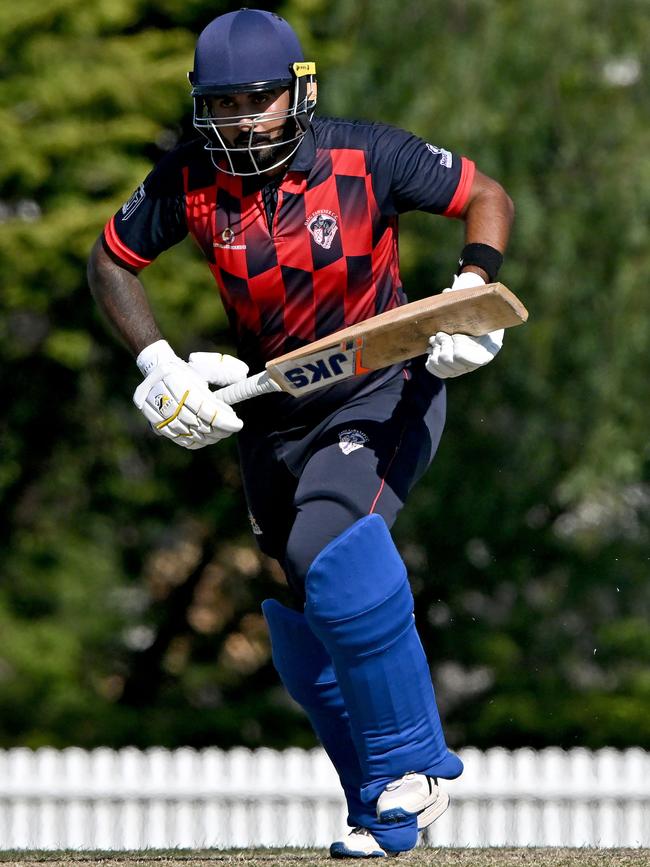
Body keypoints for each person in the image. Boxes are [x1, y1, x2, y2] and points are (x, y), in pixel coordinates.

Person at [88, 8, 514, 858]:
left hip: (383, 386)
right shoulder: (189, 181)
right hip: (272, 408)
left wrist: (472, 292)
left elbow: (485, 196)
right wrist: (159, 364)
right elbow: (110, 260)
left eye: (258, 101)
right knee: (292, 604)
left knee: (334, 542)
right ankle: (377, 809)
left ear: (298, 93)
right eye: (222, 104)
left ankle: (416, 762)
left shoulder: (365, 155)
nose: (241, 121)